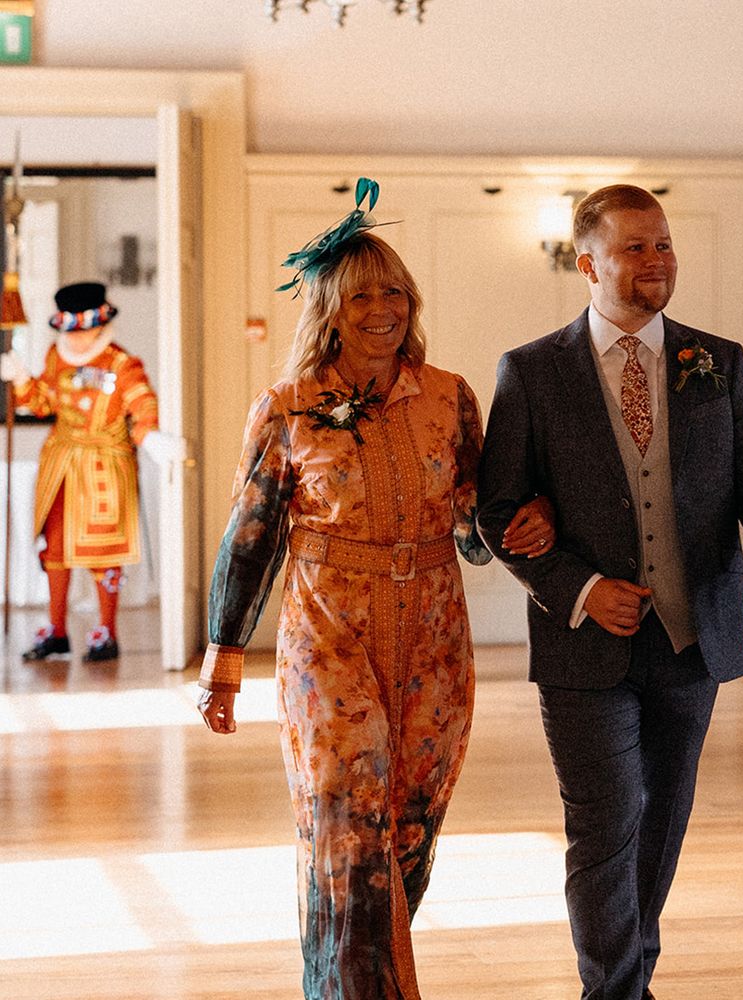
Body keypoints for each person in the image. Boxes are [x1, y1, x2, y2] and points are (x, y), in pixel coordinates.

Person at [195, 178, 554, 1000]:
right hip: (328, 638)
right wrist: (222, 659)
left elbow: (474, 529)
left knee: (411, 829)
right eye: (362, 295)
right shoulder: (287, 409)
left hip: (433, 637)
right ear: (328, 308)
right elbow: (250, 540)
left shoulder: (449, 398)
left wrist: (525, 522)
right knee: (346, 827)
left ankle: (359, 980)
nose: (383, 308)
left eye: (395, 291)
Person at [476, 184, 743, 1000]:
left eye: (664, 244)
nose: (657, 261)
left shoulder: (715, 362)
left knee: (661, 823)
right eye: (635, 247)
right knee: (603, 825)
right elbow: (498, 509)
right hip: (584, 648)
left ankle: (629, 977)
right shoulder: (531, 371)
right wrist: (579, 588)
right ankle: (614, 992)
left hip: (694, 640)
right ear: (587, 262)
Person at [1, 281, 181, 662]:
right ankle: (57, 629)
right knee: (54, 550)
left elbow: (142, 404)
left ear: (100, 325)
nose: (78, 341)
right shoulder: (55, 357)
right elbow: (42, 403)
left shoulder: (122, 363)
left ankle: (106, 631)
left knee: (103, 550)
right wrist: (21, 380)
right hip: (61, 467)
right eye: (71, 332)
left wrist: (150, 438)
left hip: (104, 468)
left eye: (84, 332)